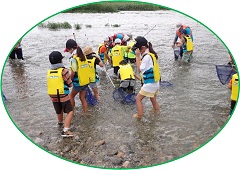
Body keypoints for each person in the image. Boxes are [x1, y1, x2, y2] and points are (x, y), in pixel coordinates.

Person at [132, 36, 161, 120]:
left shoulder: (147, 57)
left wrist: (137, 57)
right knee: (152, 98)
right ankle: (157, 111)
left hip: (150, 83)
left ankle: (139, 115)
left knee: (138, 99)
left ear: (143, 47)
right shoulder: (151, 54)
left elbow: (139, 69)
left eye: (139, 49)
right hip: (155, 82)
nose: (138, 51)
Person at [47, 51, 74, 137]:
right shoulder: (64, 71)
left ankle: (60, 123)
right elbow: (70, 84)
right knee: (70, 111)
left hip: (53, 96)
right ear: (60, 61)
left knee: (59, 111)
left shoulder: (49, 72)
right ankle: (65, 130)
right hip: (63, 95)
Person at [64, 39, 91, 113]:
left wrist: (69, 81)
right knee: (82, 98)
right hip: (86, 81)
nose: (68, 51)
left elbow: (73, 72)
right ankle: (86, 113)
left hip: (78, 83)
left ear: (71, 49)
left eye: (68, 50)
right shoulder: (83, 56)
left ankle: (71, 113)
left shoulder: (73, 59)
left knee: (71, 96)